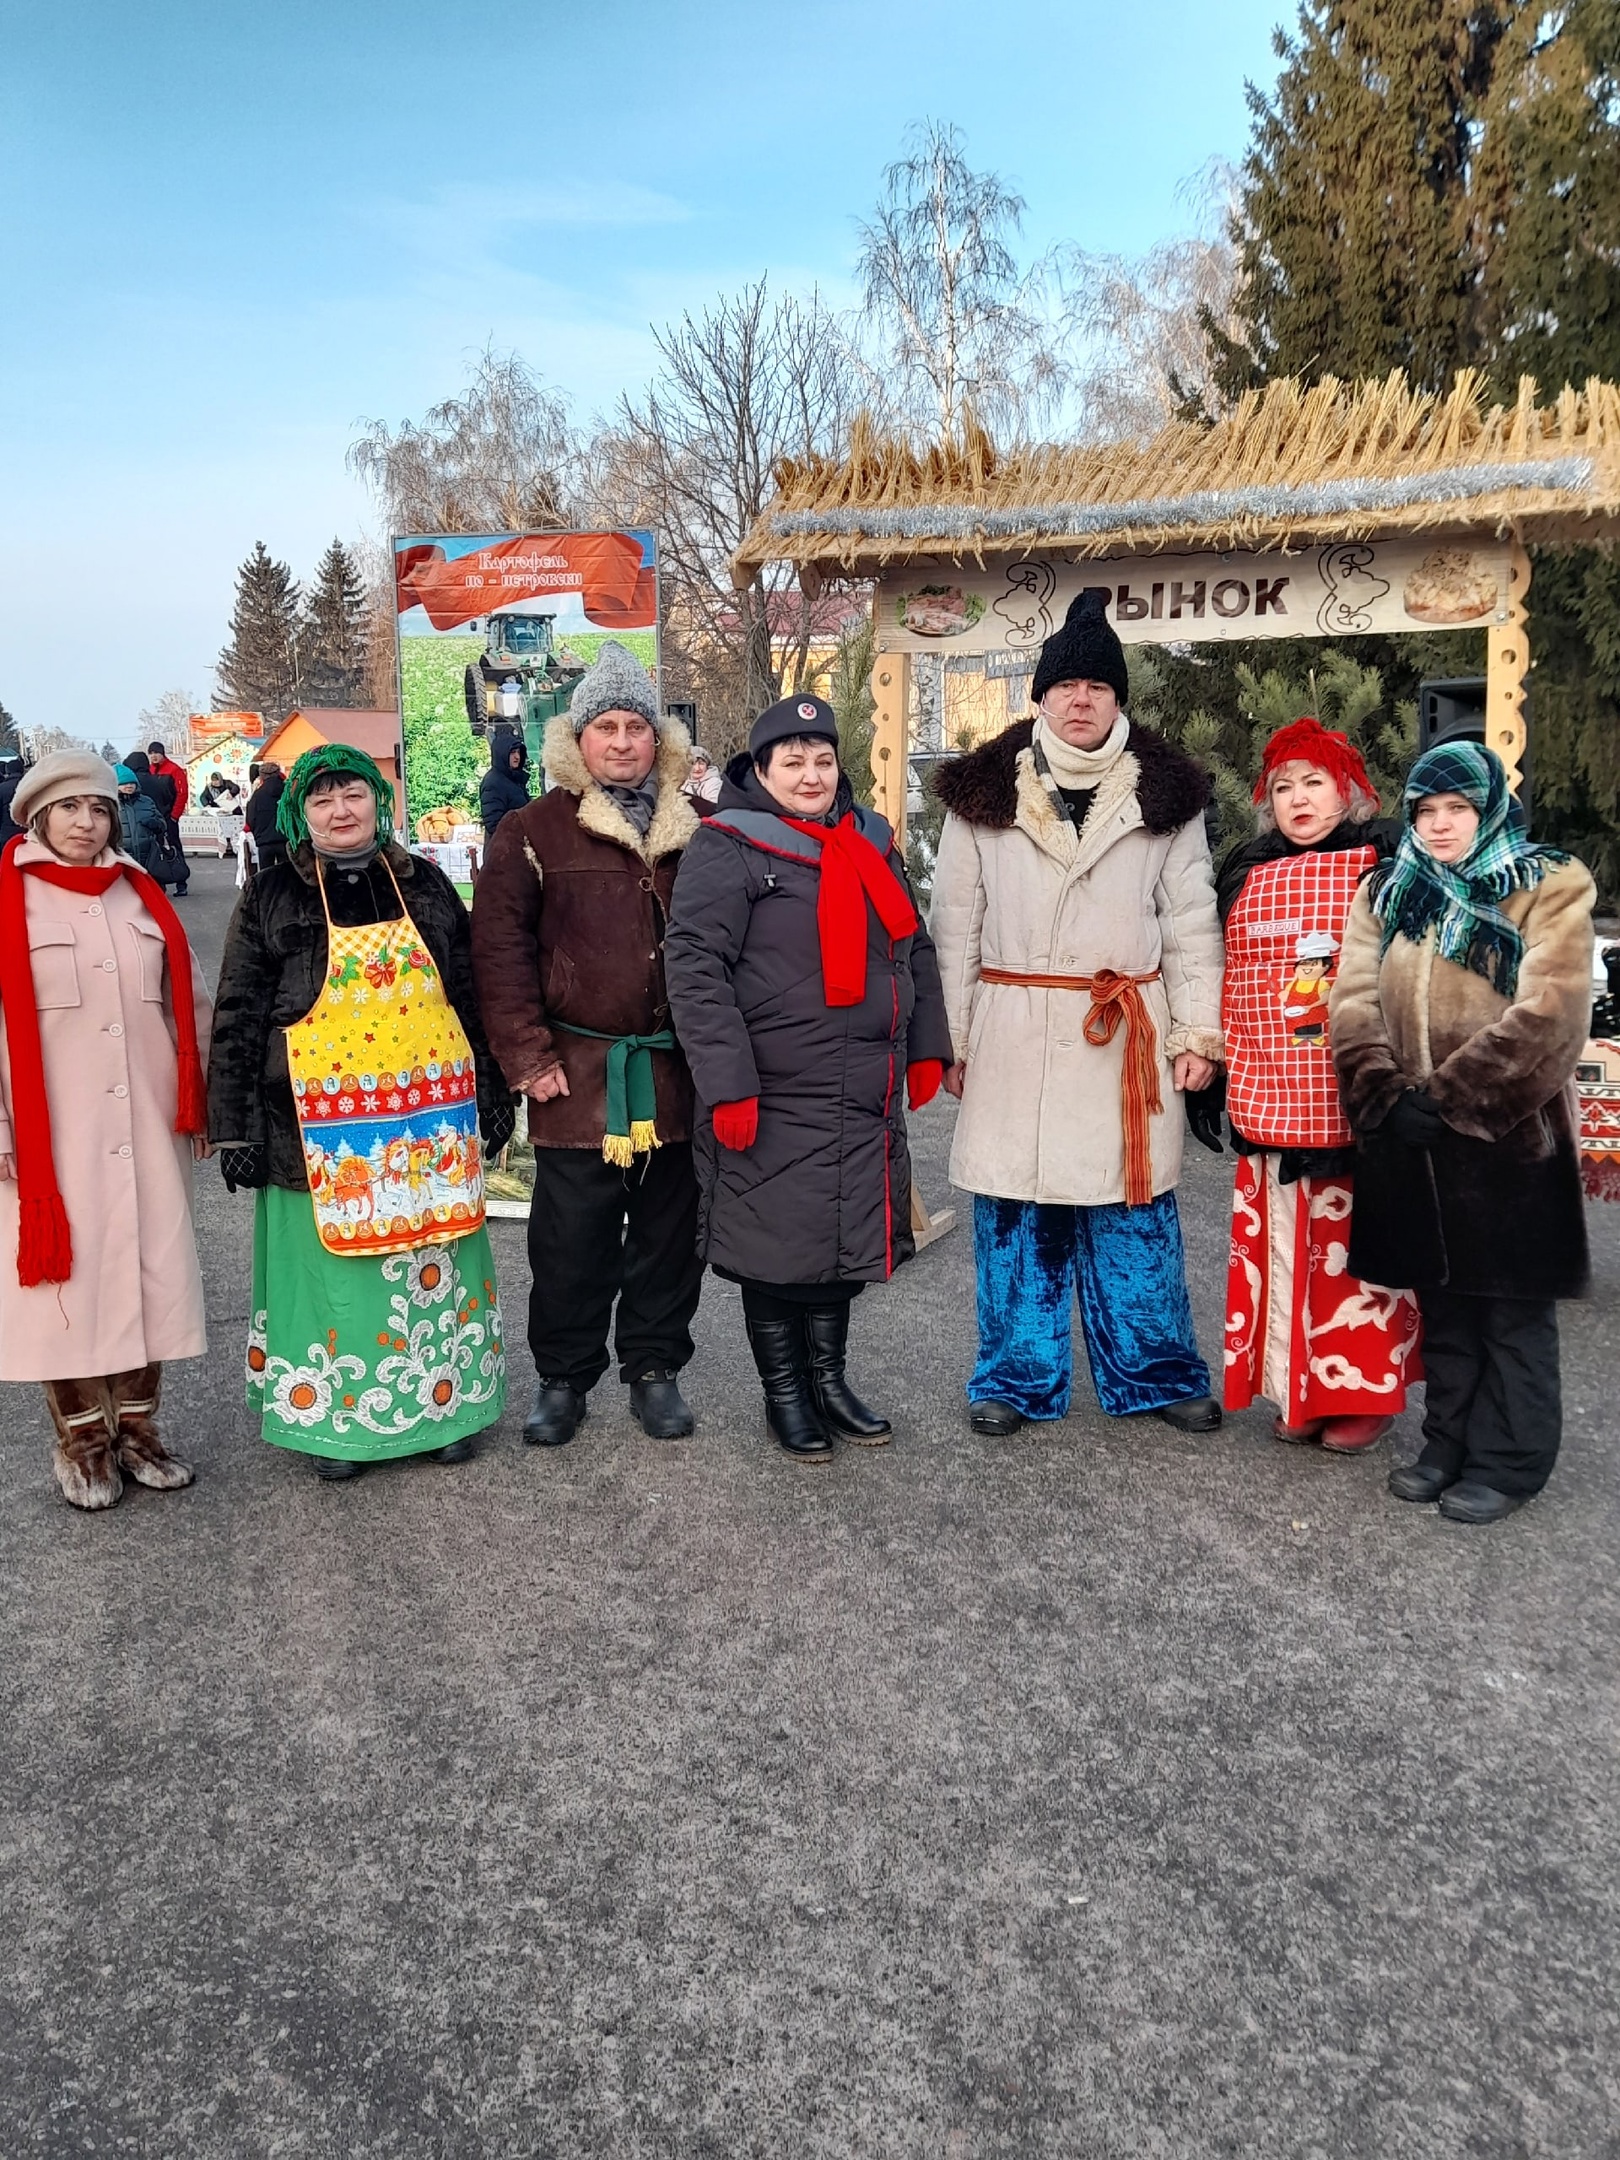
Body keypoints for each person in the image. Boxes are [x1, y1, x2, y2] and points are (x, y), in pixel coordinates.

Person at [929, 589, 1225, 1438]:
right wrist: (950, 1040)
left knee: (1135, 1217)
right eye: (1068, 686)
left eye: (1098, 685)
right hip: (1015, 1025)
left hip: (1125, 1028)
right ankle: (1013, 1378)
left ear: (1118, 696)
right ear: (1042, 695)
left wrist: (1195, 1030)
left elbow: (1192, 920)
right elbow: (954, 927)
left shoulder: (1169, 794)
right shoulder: (983, 793)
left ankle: (1158, 1372)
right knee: (1018, 1218)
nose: (1082, 699)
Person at [207, 744, 514, 1480]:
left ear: (380, 802)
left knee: (433, 1268)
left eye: (354, 796)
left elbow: (471, 996)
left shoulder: (430, 885)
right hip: (314, 1132)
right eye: (323, 800)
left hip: (432, 1128)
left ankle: (447, 1408)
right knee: (331, 1283)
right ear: (298, 814)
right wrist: (235, 1127)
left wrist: (493, 1095)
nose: (341, 811)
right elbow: (238, 1012)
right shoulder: (271, 895)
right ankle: (337, 1428)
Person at [665, 695, 953, 1461]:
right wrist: (728, 1085)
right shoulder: (728, 845)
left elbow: (911, 948)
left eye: (822, 759)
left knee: (840, 1247)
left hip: (860, 1088)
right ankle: (785, 1395)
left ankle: (829, 1381)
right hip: (773, 1087)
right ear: (760, 771)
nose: (810, 774)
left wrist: (928, 1045)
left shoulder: (872, 842)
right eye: (791, 761)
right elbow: (695, 970)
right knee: (777, 1251)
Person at [1330, 741, 1595, 1524]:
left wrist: (1449, 1099)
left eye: (1458, 809)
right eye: (1426, 811)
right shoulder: (1387, 890)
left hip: (1505, 1134)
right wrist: (1381, 1090)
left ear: (1489, 810)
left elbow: (1552, 1013)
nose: (1441, 825)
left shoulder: (1548, 882)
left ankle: (1510, 1461)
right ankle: (1445, 1442)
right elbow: (1350, 1003)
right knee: (1441, 1302)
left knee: (1509, 1308)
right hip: (1409, 1137)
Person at [472, 641, 703, 1448]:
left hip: (674, 1068)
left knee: (670, 1234)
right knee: (572, 1240)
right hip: (576, 1075)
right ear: (578, 738)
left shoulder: (696, 830)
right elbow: (498, 954)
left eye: (634, 725)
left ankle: (654, 1368)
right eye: (603, 725)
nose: (620, 740)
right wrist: (527, 1059)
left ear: (657, 738)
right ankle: (563, 1379)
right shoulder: (532, 830)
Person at [0, 751, 211, 1510]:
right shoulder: (9, 902)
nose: (86, 824)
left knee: (151, 1270)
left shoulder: (139, 895)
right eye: (69, 810)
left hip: (147, 1117)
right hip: (53, 1129)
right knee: (71, 1282)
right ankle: (83, 1440)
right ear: (37, 818)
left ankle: (140, 1431)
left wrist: (203, 1097)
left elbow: (184, 1005)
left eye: (98, 810)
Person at [1212, 718, 1419, 1449]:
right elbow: (1226, 979)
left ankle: (1363, 1395)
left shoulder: (1385, 867)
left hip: (1351, 1095)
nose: (1298, 799)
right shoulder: (1245, 871)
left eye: (1315, 783)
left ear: (1350, 791)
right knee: (1280, 1247)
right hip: (1268, 1088)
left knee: (1351, 1253)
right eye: (1283, 788)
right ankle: (1292, 1385)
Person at [148, 739, 191, 895]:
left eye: (156, 753)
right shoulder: (149, 771)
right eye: (151, 753)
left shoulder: (174, 770)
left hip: (169, 816)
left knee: (174, 847)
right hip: (155, 817)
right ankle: (160, 882)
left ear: (162, 754)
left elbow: (182, 793)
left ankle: (181, 882)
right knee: (156, 849)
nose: (153, 756)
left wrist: (174, 816)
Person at [479, 726, 531, 843]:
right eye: (512, 752)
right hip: (504, 850)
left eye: (518, 752)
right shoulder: (492, 783)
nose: (517, 757)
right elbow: (494, 825)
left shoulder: (514, 779)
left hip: (517, 845)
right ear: (502, 754)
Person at [114, 762, 166, 871]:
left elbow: (162, 825)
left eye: (132, 783)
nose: (129, 786)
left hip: (149, 857)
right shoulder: (111, 804)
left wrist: (156, 824)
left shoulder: (146, 801)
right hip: (122, 857)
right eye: (124, 783)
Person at [245, 760, 287, 874]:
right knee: (286, 876)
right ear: (278, 773)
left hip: (264, 842)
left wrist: (258, 835)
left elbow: (250, 818)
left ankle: (268, 892)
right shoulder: (287, 792)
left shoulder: (257, 795)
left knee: (266, 876)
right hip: (285, 840)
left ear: (262, 776)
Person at [0, 752, 25, 849]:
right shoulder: (31, 787)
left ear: (7, 771)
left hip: (6, 834)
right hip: (27, 833)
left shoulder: (2, 788)